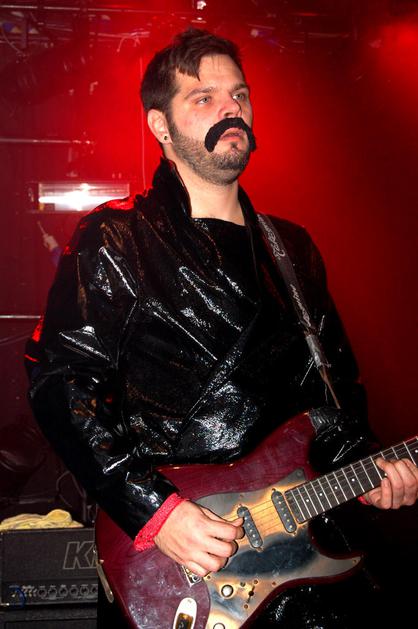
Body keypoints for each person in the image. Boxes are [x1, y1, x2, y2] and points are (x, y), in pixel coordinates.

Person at [25, 28, 418, 627]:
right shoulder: (118, 238)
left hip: (305, 554)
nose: (230, 108)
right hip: (181, 559)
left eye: (239, 94)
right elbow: (62, 383)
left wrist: (367, 464)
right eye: (203, 97)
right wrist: (157, 512)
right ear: (160, 126)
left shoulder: (292, 248)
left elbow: (335, 398)